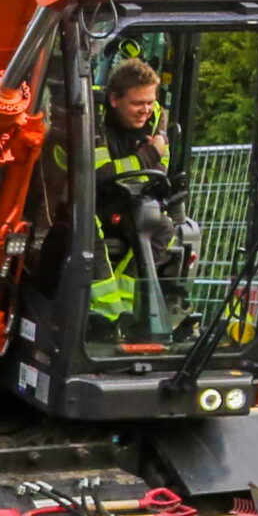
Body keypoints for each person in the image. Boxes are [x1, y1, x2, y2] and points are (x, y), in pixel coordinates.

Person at [90, 58, 180, 329]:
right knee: (86, 226)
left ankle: (131, 310)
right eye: (137, 104)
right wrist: (150, 153)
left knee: (164, 227)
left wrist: (152, 157)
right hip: (94, 202)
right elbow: (103, 174)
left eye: (150, 102)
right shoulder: (96, 118)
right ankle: (107, 316)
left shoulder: (155, 121)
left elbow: (159, 172)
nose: (145, 111)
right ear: (114, 99)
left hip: (134, 203)